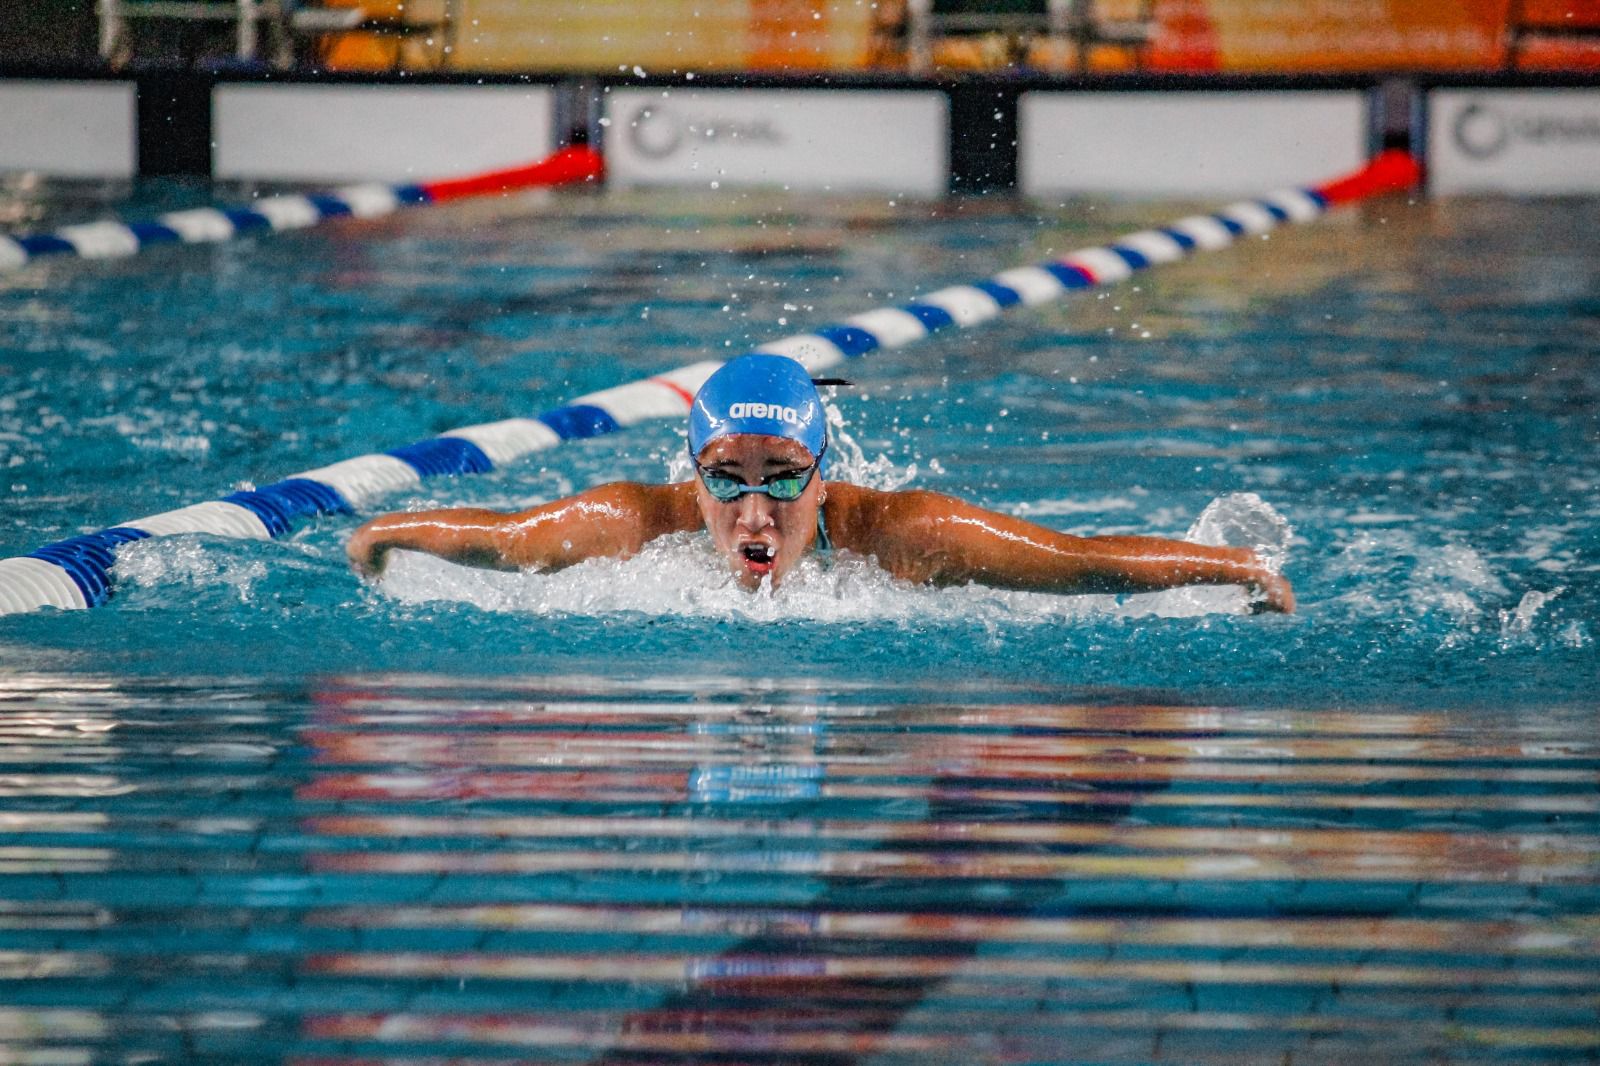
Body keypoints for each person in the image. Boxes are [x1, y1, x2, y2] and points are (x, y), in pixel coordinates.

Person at [347, 354, 1295, 612]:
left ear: (822, 472)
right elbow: (506, 537)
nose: (755, 512)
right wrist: (384, 533)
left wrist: (1234, 567)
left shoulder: (906, 536)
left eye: (784, 479)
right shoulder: (632, 523)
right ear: (693, 474)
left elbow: (1080, 561)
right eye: (727, 482)